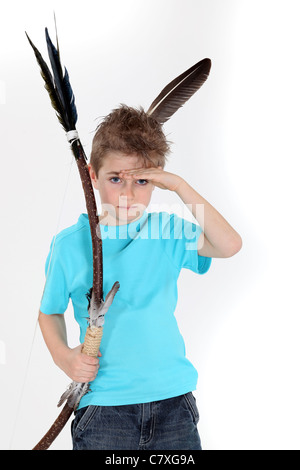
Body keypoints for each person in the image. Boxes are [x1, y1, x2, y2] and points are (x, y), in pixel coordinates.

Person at [38, 105, 242, 450]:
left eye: (142, 181)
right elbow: (49, 312)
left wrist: (179, 186)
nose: (127, 194)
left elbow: (229, 245)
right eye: (115, 179)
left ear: (157, 179)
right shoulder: (70, 245)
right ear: (92, 174)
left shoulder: (166, 231)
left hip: (173, 402)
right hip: (104, 409)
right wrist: (65, 357)